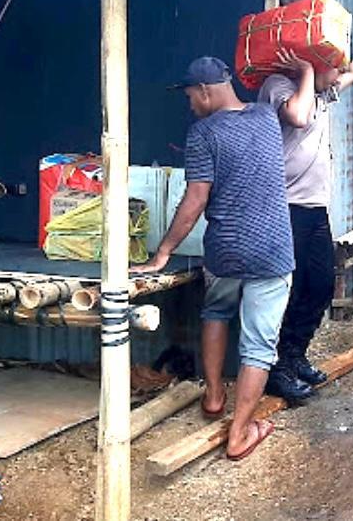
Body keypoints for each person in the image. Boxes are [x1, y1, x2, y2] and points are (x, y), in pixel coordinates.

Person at [133, 57, 294, 461]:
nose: (190, 105)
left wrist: (163, 252)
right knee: (259, 344)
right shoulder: (266, 117)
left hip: (226, 249)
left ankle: (214, 397)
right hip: (272, 249)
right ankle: (241, 432)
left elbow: (195, 199)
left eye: (190, 97)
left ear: (205, 91)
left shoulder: (202, 133)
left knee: (216, 312)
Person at [257, 49, 353, 403]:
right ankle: (273, 370)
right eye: (332, 70)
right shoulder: (279, 87)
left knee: (320, 285)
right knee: (287, 290)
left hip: (315, 209)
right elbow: (298, 117)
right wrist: (304, 68)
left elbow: (352, 73)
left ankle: (293, 355)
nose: (337, 78)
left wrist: (342, 55)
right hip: (284, 207)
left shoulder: (320, 91)